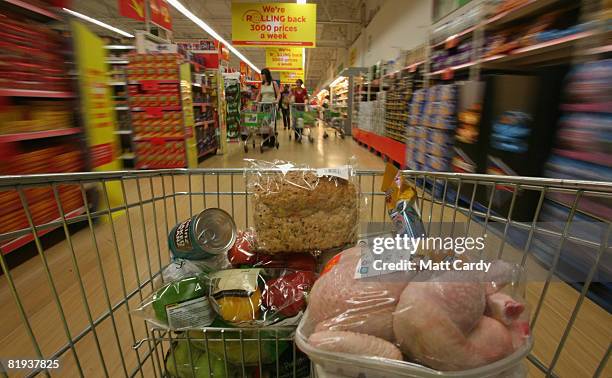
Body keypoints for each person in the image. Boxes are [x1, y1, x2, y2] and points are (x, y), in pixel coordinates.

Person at [255, 68, 281, 146]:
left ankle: (272, 140)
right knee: (264, 123)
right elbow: (259, 95)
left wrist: (277, 101)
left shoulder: (274, 83)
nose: (262, 76)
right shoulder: (262, 84)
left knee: (271, 124)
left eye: (263, 75)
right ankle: (265, 140)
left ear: (267, 75)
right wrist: (256, 100)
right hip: (263, 106)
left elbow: (279, 94)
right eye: (261, 75)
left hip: (271, 106)